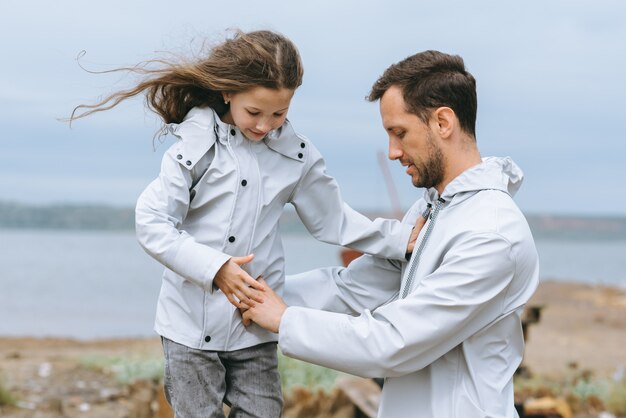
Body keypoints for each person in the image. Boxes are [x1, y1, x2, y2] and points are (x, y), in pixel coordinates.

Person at [70, 30, 421, 418]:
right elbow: (152, 222)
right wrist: (216, 268)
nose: (265, 125)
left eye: (279, 113)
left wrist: (400, 238)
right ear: (227, 93)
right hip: (188, 327)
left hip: (254, 326)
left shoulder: (296, 156)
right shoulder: (194, 149)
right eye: (254, 112)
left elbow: (333, 220)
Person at [243, 50, 540, 418]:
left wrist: (283, 319)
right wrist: (249, 294)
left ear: (443, 122)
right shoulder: (431, 210)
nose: (393, 152)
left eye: (399, 133)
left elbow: (393, 342)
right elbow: (352, 291)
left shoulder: (493, 234)